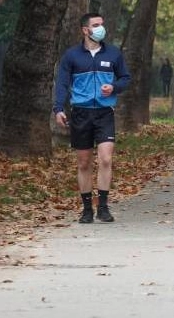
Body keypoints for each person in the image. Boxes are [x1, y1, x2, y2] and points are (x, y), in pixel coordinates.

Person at [53, 12, 131, 224]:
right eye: (95, 25)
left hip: (105, 113)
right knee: (84, 162)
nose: (100, 28)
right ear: (85, 30)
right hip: (81, 113)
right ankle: (87, 209)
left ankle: (103, 207)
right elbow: (62, 83)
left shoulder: (113, 54)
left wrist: (114, 87)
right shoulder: (72, 56)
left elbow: (125, 78)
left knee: (106, 158)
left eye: (101, 24)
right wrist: (58, 108)